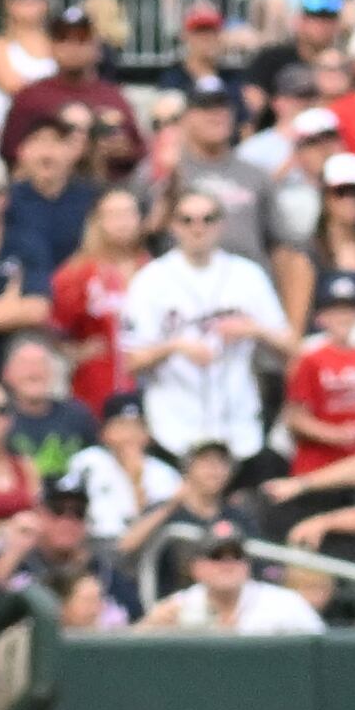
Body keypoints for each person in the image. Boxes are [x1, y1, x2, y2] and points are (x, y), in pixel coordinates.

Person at [121, 186, 295, 464]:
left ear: (221, 225)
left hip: (239, 426)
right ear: (173, 225)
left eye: (208, 219)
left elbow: (290, 347)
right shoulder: (151, 280)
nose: (197, 228)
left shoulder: (247, 275)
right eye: (187, 220)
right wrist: (175, 346)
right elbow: (130, 360)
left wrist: (254, 330)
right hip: (173, 427)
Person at [143, 523, 324, 634]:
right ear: (196, 567)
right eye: (216, 556)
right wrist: (149, 627)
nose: (227, 564)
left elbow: (322, 651)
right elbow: (129, 650)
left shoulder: (284, 604)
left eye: (236, 556)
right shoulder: (180, 605)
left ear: (248, 565)